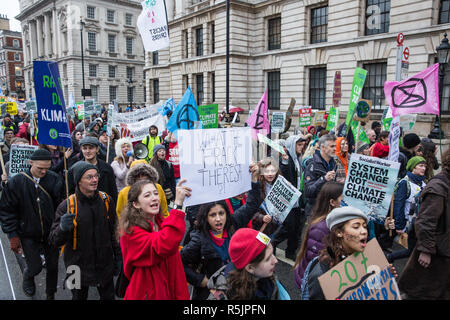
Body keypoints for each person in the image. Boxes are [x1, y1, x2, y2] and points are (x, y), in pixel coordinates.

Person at [180, 163, 265, 300]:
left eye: (221, 213)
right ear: (206, 218)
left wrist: (254, 180)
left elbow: (251, 205)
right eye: (213, 215)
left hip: (236, 290)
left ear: (227, 213)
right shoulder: (198, 239)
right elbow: (180, 263)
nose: (218, 219)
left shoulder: (233, 224)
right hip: (210, 295)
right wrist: (203, 281)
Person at [49, 161, 121, 300]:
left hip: (104, 263)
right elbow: (54, 240)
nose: (95, 180)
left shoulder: (106, 200)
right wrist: (63, 228)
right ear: (78, 181)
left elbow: (114, 231)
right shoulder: (67, 206)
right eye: (89, 177)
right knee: (77, 297)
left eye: (96, 176)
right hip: (75, 266)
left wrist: (118, 257)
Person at [0, 149, 64, 299]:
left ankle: (50, 294)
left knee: (53, 266)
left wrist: (62, 227)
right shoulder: (16, 182)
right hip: (28, 232)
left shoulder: (55, 179)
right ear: (30, 163)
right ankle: (28, 275)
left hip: (51, 233)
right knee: (35, 266)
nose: (43, 171)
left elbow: (60, 207)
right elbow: (7, 211)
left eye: (46, 168)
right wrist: (13, 235)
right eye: (40, 168)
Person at [118, 179, 191, 300]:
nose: (154, 198)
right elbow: (164, 244)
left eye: (156, 193)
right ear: (136, 204)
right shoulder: (130, 232)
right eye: (147, 195)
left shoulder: (163, 223)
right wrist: (177, 205)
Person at [397, 148, 450, 300]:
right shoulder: (439, 186)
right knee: (423, 292)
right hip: (437, 254)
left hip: (444, 252)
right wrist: (425, 249)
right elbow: (426, 221)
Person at [300, 206, 369, 300]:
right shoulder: (322, 273)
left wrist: (385, 277)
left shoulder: (363, 258)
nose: (364, 231)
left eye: (365, 226)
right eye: (356, 227)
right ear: (339, 232)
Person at [293, 181, 344, 289]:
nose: (347, 203)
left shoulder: (336, 223)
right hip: (312, 284)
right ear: (332, 202)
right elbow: (318, 263)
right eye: (343, 199)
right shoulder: (321, 228)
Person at [207, 228, 281, 300]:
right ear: (250, 268)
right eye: (268, 259)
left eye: (272, 254)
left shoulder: (267, 275)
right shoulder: (223, 295)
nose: (275, 261)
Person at [273, 134, 308, 260]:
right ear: (292, 146)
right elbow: (284, 175)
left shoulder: (299, 159)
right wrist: (285, 160)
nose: (301, 147)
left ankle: (291, 251)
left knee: (297, 228)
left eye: (302, 145)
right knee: (288, 226)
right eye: (298, 145)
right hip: (289, 199)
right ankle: (272, 243)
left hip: (298, 199)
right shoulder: (287, 160)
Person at [388, 156, 427, 263]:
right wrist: (399, 225)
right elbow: (399, 204)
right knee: (411, 250)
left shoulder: (423, 183)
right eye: (420, 166)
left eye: (425, 166)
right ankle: (390, 258)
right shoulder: (405, 183)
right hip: (408, 223)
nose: (423, 168)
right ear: (413, 168)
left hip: (419, 223)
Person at [67, 136, 118, 202]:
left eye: (91, 148)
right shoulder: (75, 168)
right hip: (82, 205)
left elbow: (112, 190)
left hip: (103, 204)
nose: (88, 151)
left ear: (97, 149)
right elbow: (70, 190)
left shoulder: (106, 168)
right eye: (85, 148)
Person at [304, 134, 337, 216]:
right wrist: (324, 179)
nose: (335, 149)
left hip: (330, 210)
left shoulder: (335, 163)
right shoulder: (312, 165)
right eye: (332, 146)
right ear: (322, 147)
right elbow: (308, 191)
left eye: (335, 146)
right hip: (315, 211)